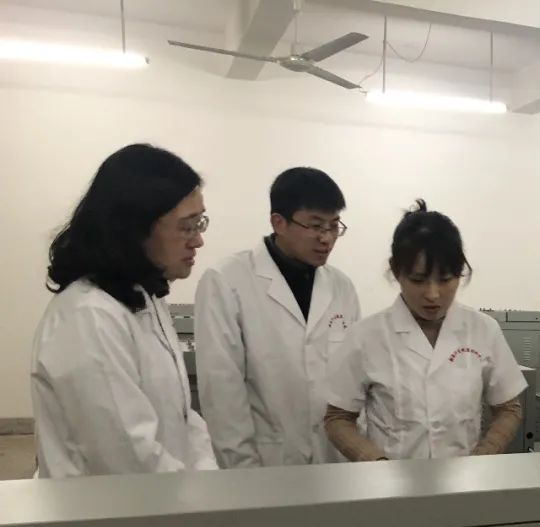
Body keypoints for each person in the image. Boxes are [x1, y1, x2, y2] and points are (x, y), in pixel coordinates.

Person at [31, 144, 217, 478]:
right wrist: (197, 496)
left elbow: (184, 418)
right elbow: (126, 454)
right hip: (112, 506)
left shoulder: (146, 299)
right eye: (186, 226)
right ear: (135, 228)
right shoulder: (89, 315)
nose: (197, 240)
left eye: (199, 223)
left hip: (165, 499)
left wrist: (207, 479)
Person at [323, 201, 526, 460]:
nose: (433, 294)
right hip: (390, 480)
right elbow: (338, 417)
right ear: (396, 271)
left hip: (462, 479)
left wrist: (484, 455)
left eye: (445, 279)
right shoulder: (366, 336)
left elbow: (509, 408)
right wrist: (376, 462)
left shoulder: (483, 329)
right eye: (418, 280)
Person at [194, 168, 360, 468]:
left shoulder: (341, 287)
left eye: (334, 226)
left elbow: (352, 380)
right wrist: (241, 469)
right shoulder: (227, 280)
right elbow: (222, 391)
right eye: (315, 226)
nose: (326, 238)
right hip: (264, 461)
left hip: (334, 459)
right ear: (278, 222)